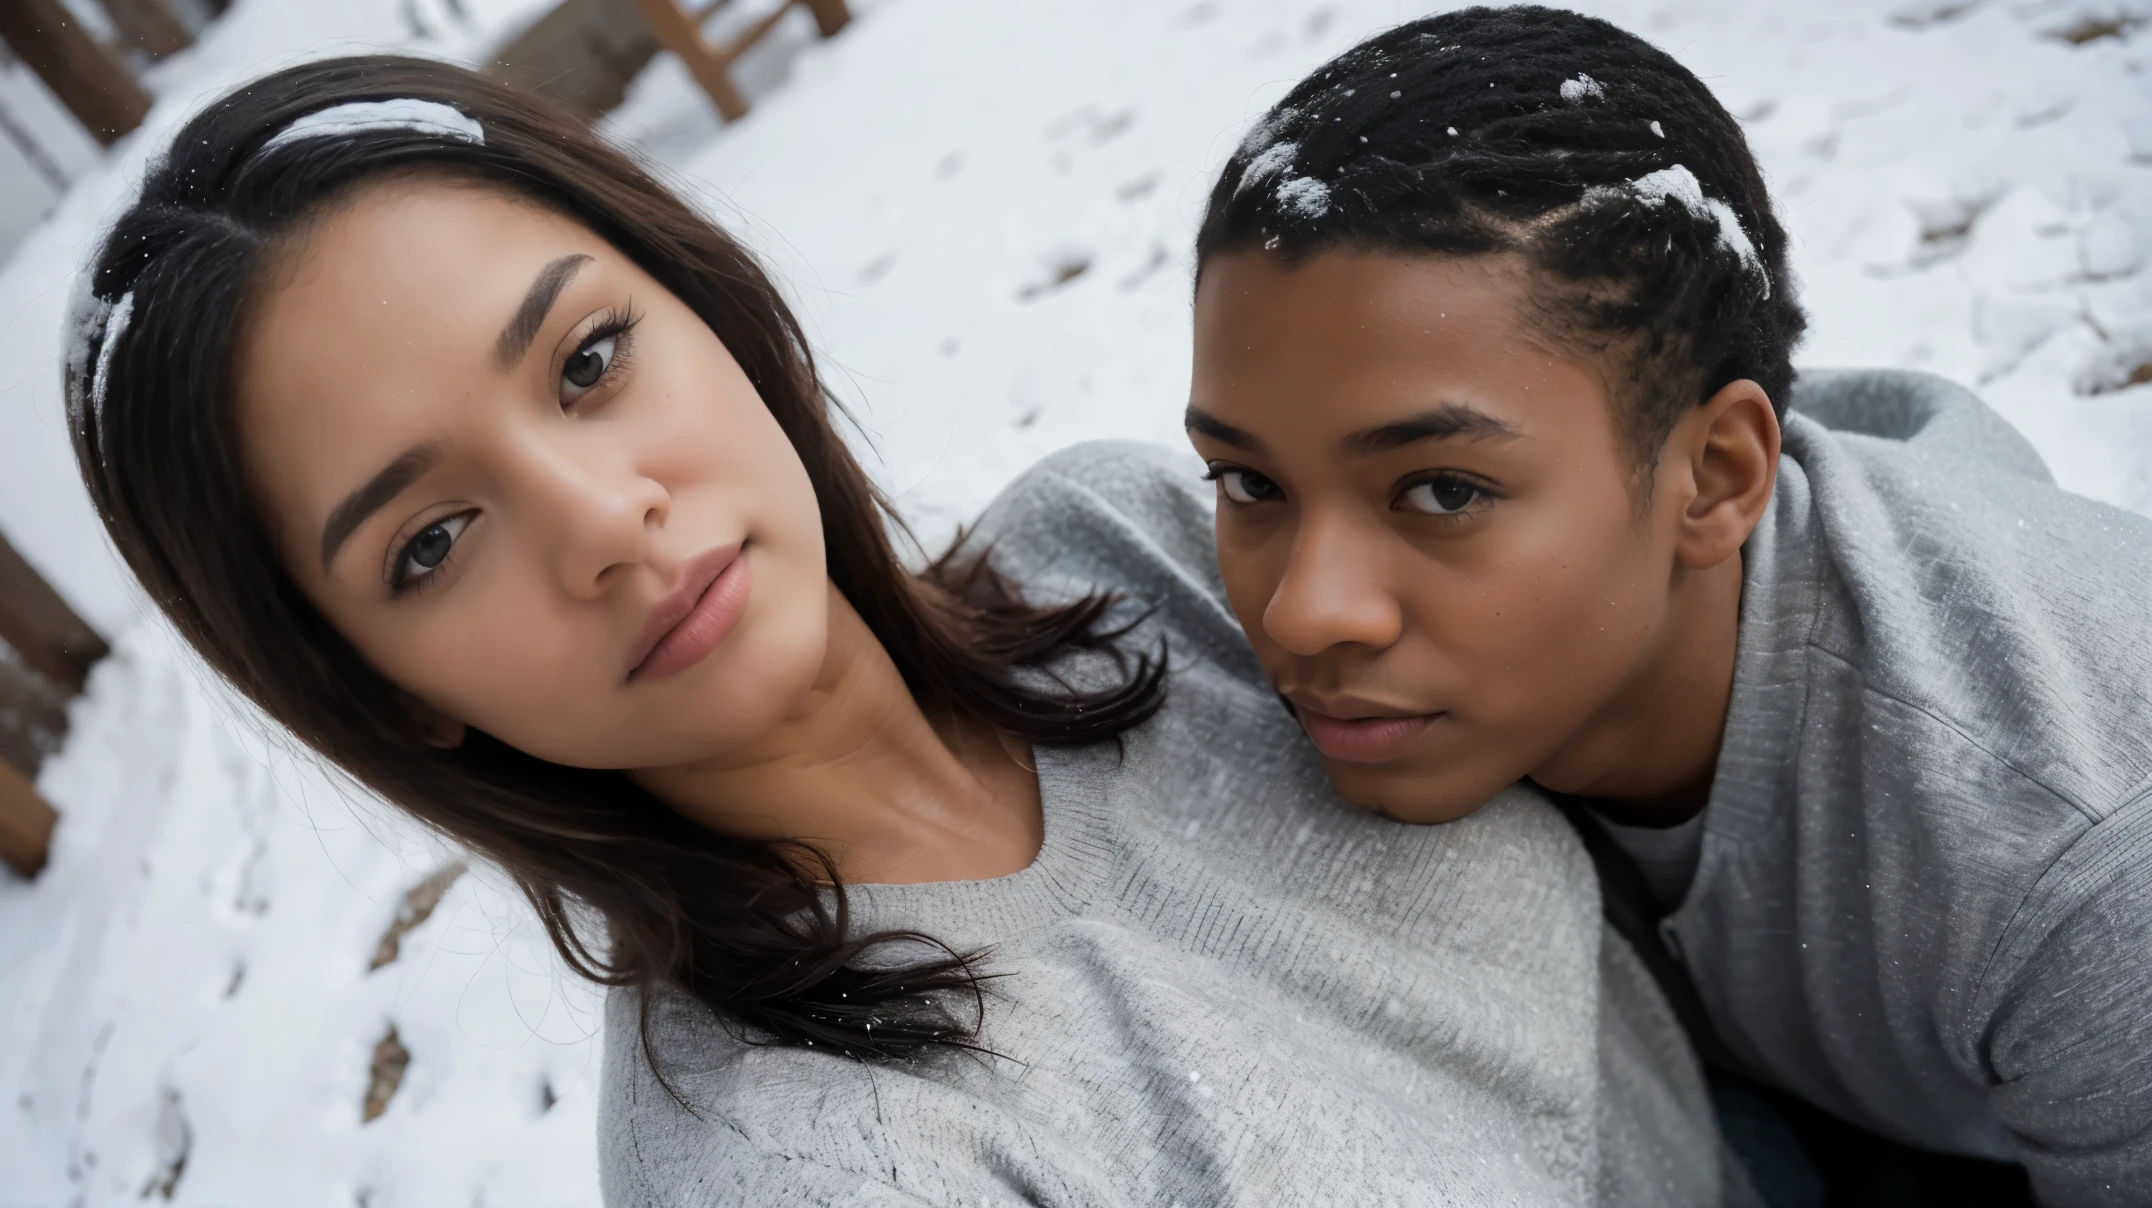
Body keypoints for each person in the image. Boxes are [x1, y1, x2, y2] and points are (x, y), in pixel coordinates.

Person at [66, 57, 1743, 1205]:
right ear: (380, 685)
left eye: (586, 363)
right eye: (431, 540)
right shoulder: (816, 1163)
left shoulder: (1139, 546)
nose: (602, 524)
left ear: (706, 311)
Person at [1176, 5, 2151, 1205]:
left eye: (1440, 488)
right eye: (1249, 480)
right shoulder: (1497, 628)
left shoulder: (2087, 862)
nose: (1302, 611)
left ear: (1717, 477)